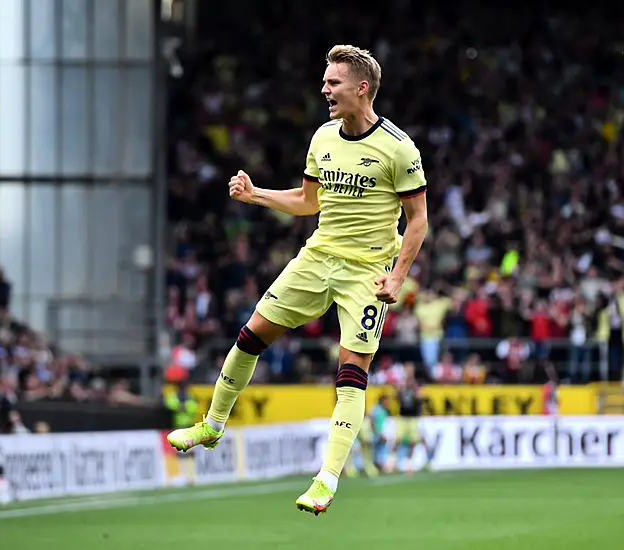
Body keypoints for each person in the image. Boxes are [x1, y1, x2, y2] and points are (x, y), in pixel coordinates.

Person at [166, 44, 429, 515]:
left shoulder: (398, 148)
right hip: (317, 257)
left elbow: (419, 219)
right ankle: (212, 425)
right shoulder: (323, 137)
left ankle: (327, 479)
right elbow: (310, 202)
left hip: (367, 274)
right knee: (251, 335)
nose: (325, 89)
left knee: (351, 375)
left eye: (334, 82)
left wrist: (399, 276)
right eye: (325, 81)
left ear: (361, 88)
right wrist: (256, 195)